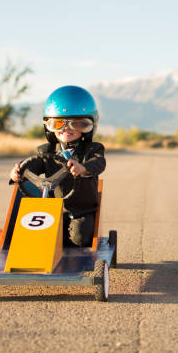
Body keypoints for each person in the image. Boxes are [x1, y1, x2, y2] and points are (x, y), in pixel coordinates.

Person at [9, 85, 106, 247]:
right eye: (58, 123)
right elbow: (33, 166)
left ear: (89, 126)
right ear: (48, 126)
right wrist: (19, 172)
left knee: (79, 238)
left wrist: (83, 168)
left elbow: (99, 163)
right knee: (34, 234)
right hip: (50, 208)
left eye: (78, 124)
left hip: (80, 210)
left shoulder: (92, 150)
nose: (66, 129)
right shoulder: (46, 151)